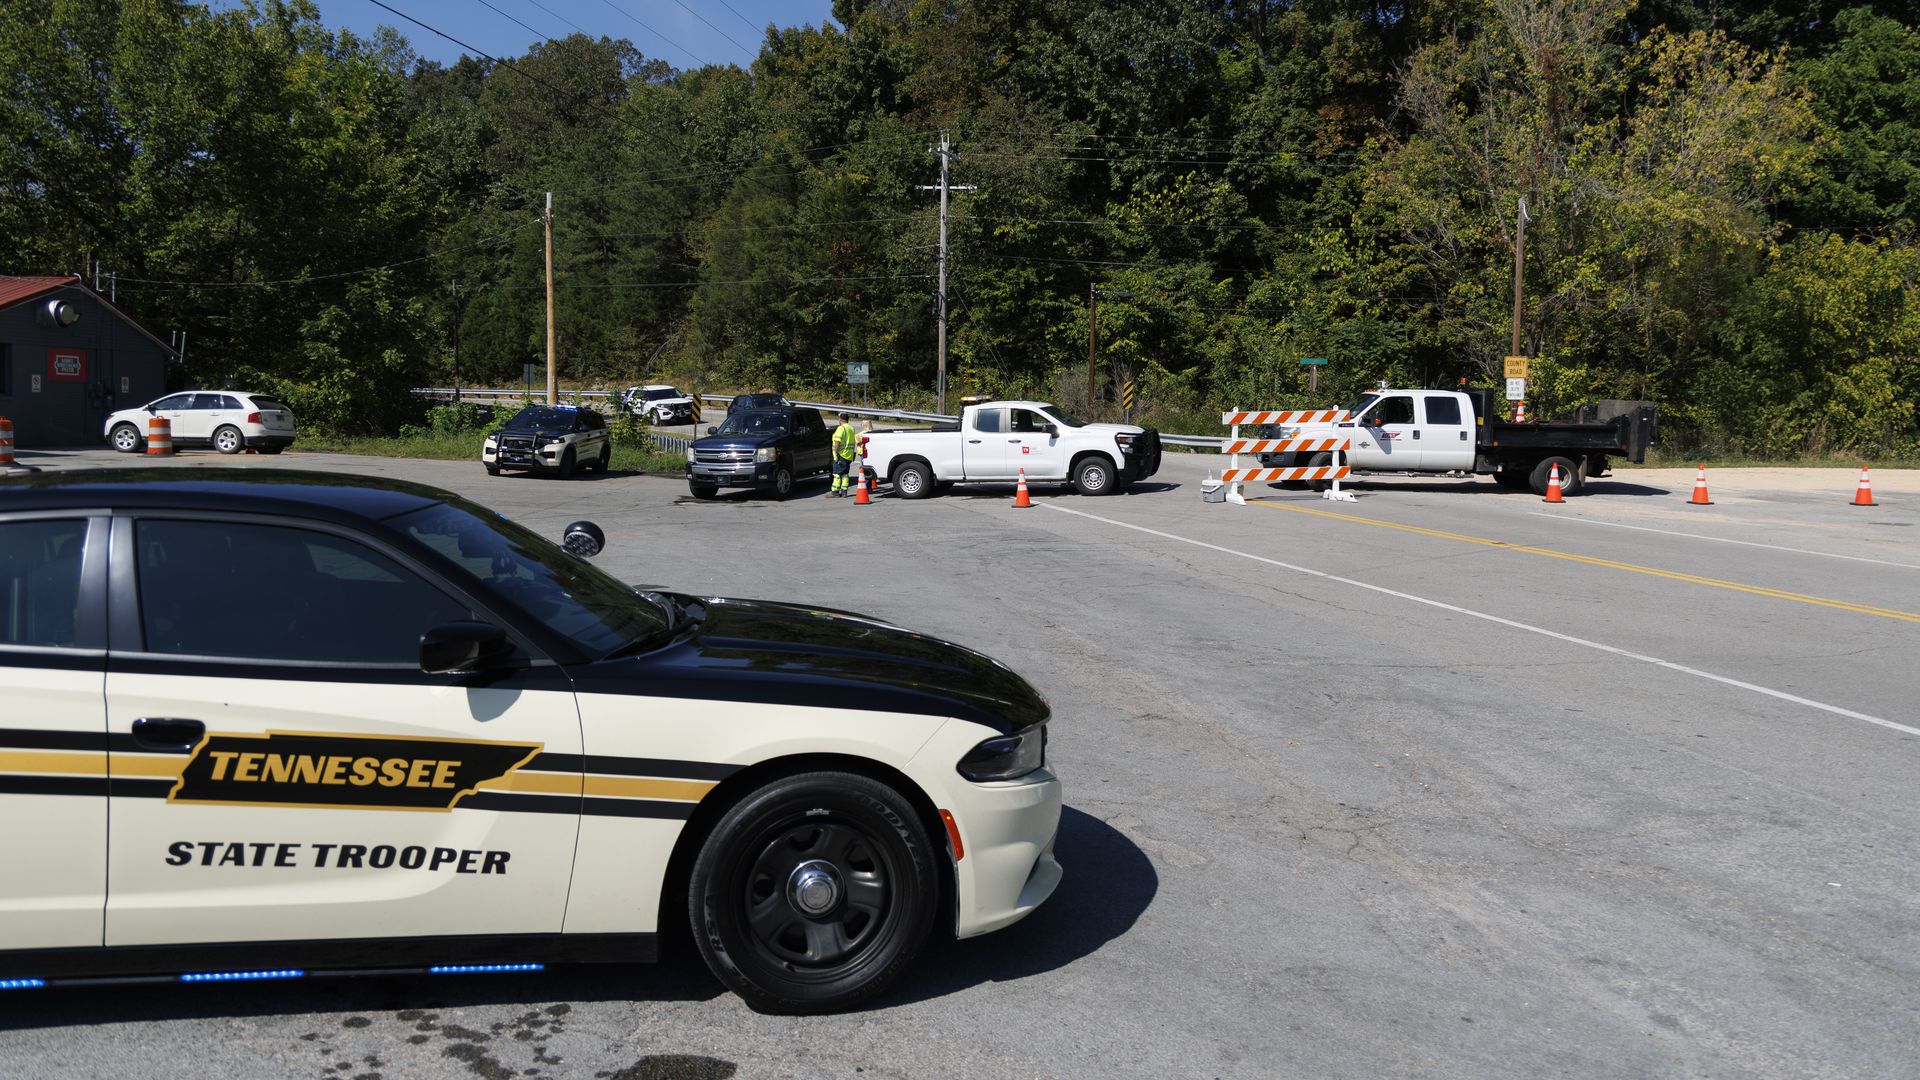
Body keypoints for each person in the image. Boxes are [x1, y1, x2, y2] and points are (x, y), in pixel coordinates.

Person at [829, 411, 859, 497]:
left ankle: (835, 492)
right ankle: (844, 492)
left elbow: (837, 441)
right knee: (845, 474)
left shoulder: (841, 428)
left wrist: (836, 452)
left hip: (841, 455)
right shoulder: (851, 428)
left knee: (837, 474)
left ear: (840, 419)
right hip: (849, 455)